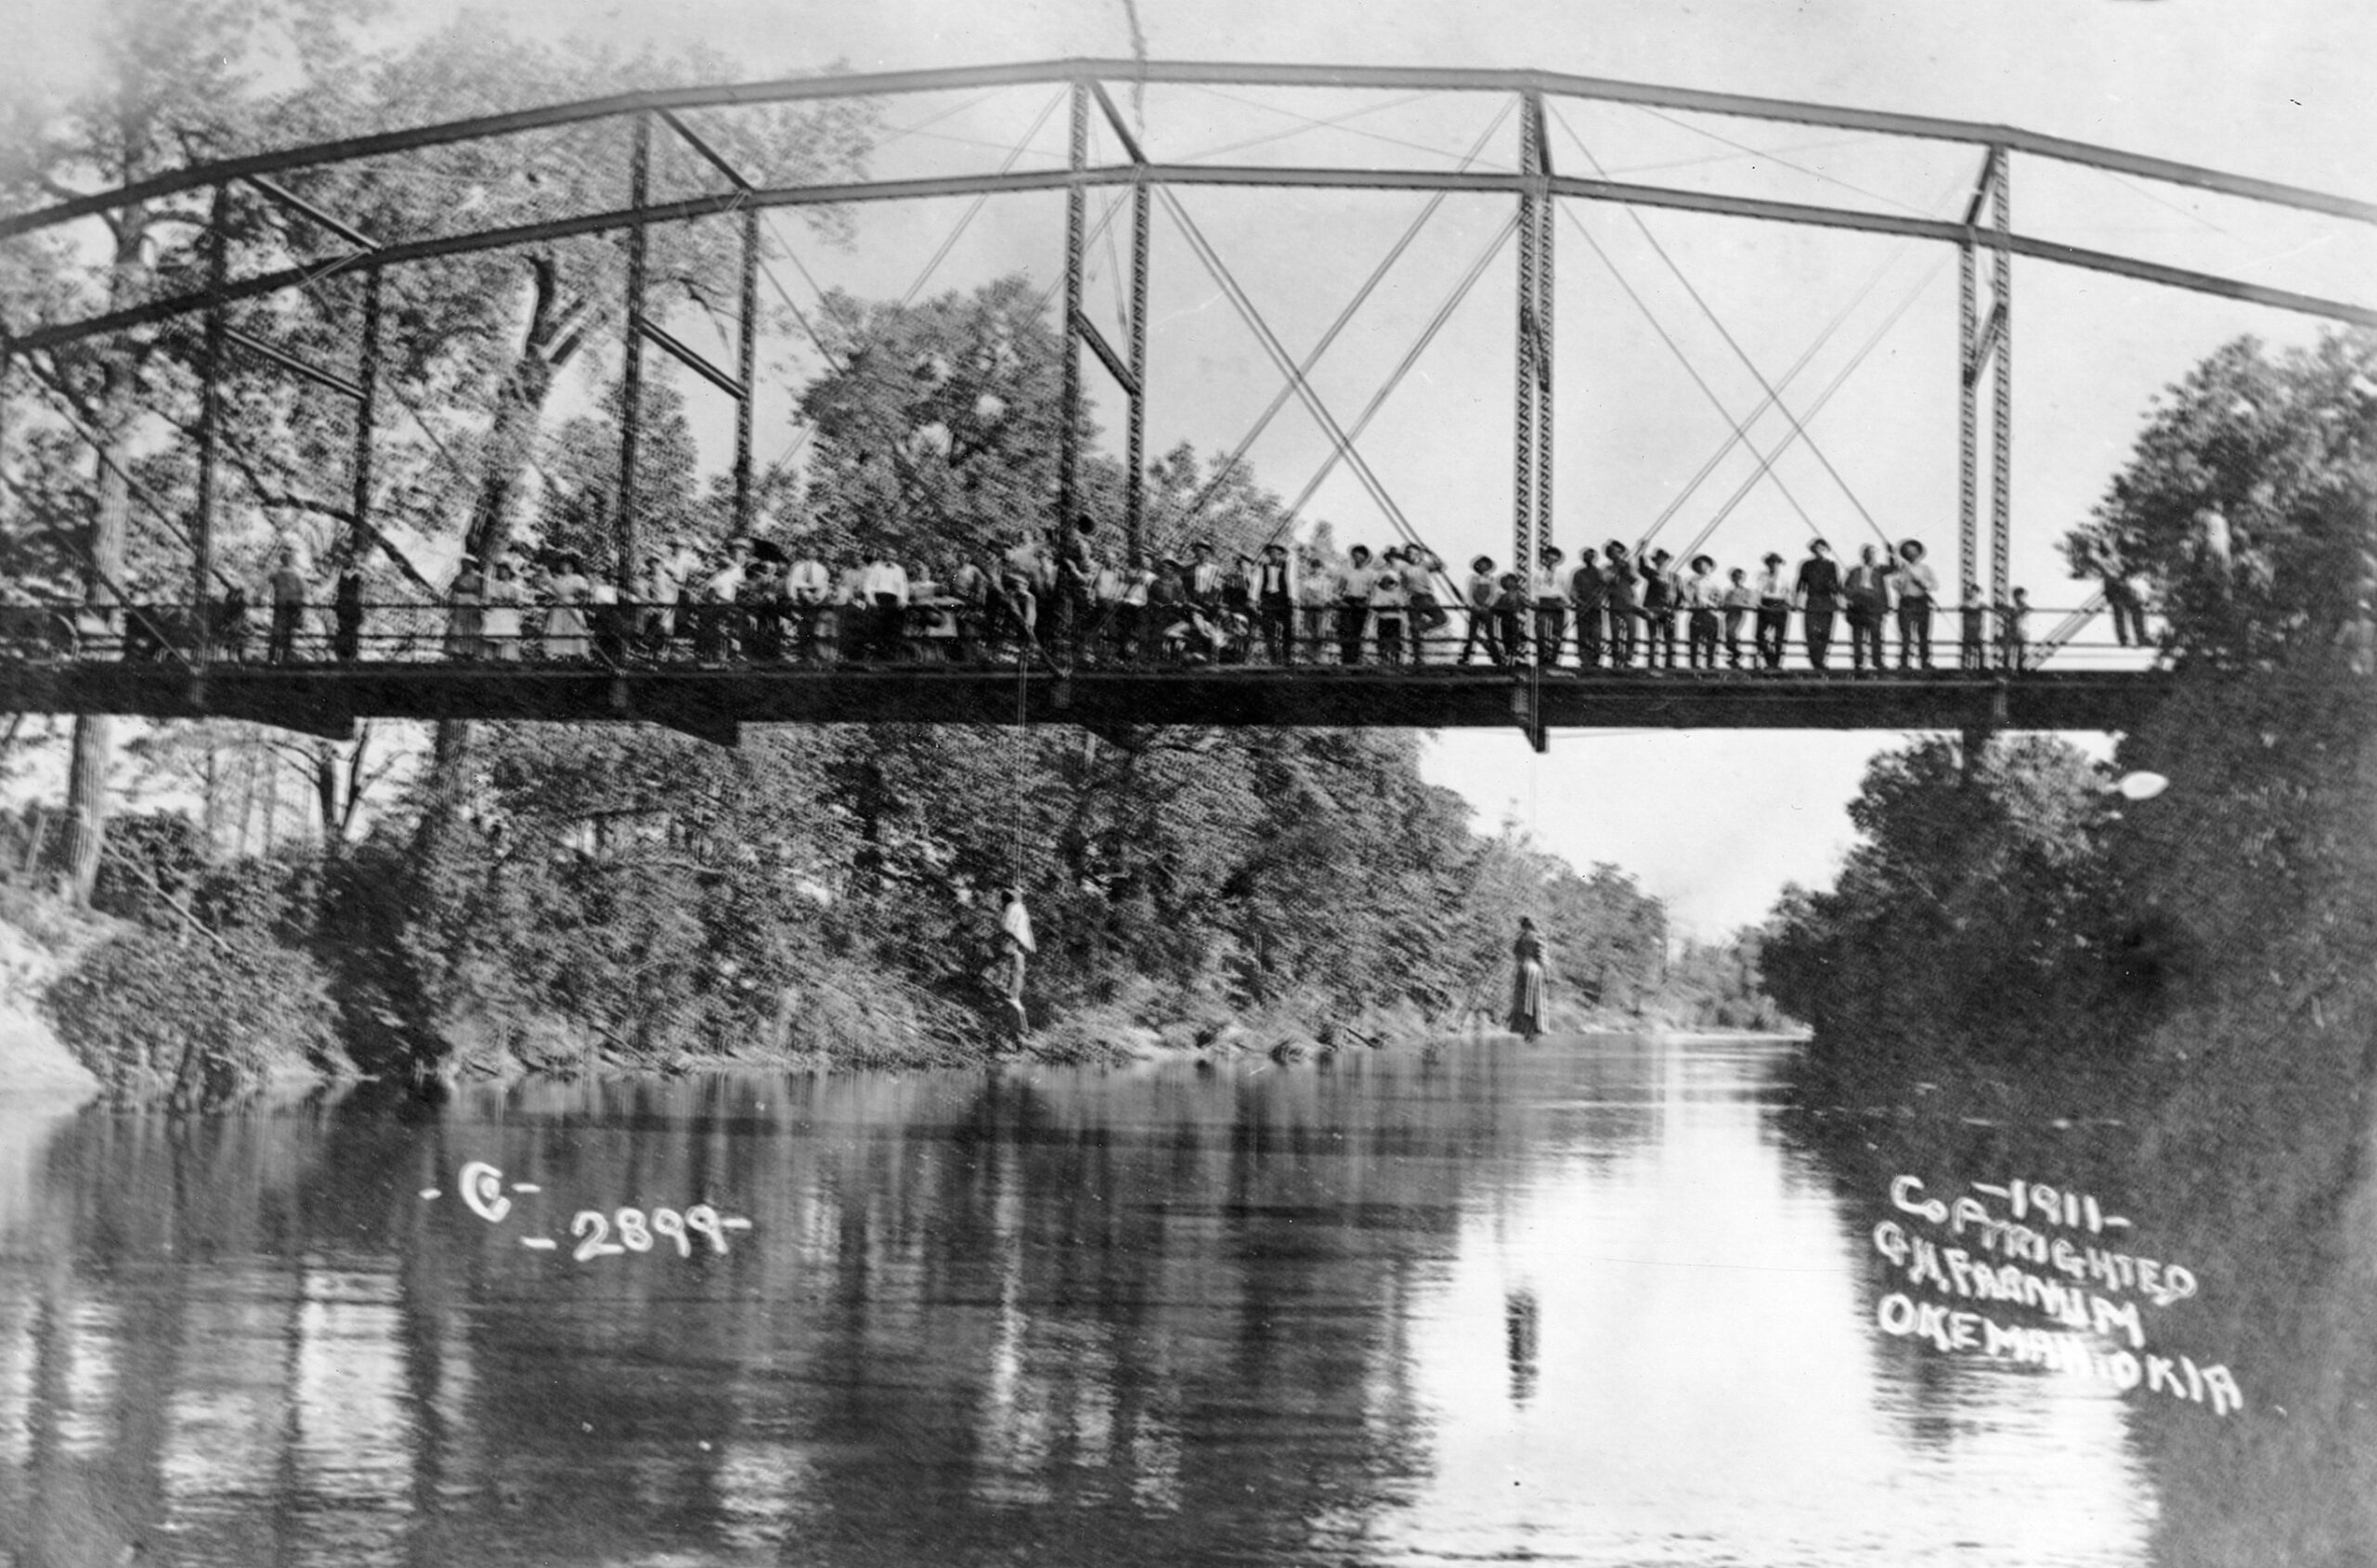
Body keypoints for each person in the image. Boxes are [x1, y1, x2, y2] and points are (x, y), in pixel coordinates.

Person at [1889, 538, 1938, 669]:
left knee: (1923, 634)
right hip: (1906, 603)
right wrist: (1901, 582)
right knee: (1906, 635)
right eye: (1907, 552)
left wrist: (1921, 582)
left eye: (1913, 551)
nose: (1910, 554)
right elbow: (1895, 584)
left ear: (1918, 553)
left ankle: (1925, 662)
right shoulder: (1903, 569)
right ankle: (1904, 663)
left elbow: (1934, 585)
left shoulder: (1925, 569)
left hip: (1921, 602)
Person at [1794, 538, 1842, 671]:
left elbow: (1837, 586)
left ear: (1826, 550)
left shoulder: (1831, 565)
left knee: (1825, 634)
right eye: (1816, 548)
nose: (1819, 551)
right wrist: (1797, 601)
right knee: (1811, 633)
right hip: (1812, 601)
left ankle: (1820, 660)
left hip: (1827, 601)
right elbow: (1800, 584)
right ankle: (1815, 661)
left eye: (1822, 548)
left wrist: (1836, 594)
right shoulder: (1807, 565)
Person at [1842, 543, 1890, 674]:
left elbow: (1894, 568)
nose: (1871, 556)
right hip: (1858, 607)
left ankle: (1878, 662)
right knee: (1858, 637)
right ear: (1863, 555)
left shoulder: (1880, 570)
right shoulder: (1854, 571)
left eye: (1874, 553)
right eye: (1868, 553)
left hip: (1874, 607)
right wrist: (1854, 595)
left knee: (1876, 636)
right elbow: (1845, 589)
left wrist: (1891, 554)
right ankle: (1859, 663)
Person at [858, 551, 911, 663]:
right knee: (875, 627)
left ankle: (889, 657)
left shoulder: (899, 569)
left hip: (893, 600)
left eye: (893, 554)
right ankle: (872, 657)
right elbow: (868, 583)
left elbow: (903, 586)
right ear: (884, 555)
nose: (890, 556)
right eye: (888, 554)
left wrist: (903, 600)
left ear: (896, 556)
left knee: (892, 628)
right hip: (878, 598)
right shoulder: (875, 566)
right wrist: (871, 600)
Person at [997, 887, 1035, 1039]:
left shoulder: (1013, 909)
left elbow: (1009, 929)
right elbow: (1012, 931)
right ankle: (1019, 1033)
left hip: (1013, 952)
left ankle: (1019, 1033)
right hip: (1013, 952)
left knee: (1012, 995)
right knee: (1012, 996)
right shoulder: (1016, 909)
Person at [2099, 545, 2150, 649]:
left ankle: (2127, 639)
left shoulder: (2111, 560)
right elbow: (2113, 576)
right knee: (2133, 610)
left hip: (2117, 590)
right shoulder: (2109, 561)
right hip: (2118, 590)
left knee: (2121, 615)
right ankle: (2137, 638)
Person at [545, 550, 591, 661]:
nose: (563, 566)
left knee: (573, 628)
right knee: (559, 628)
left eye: (566, 564)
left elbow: (582, 593)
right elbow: (555, 591)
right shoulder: (558, 579)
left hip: (571, 605)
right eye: (562, 564)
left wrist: (579, 597)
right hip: (559, 607)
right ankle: (560, 654)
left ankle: (576, 653)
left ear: (571, 567)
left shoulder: (578, 579)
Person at [1336, 545, 1378, 666]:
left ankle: (1354, 661)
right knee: (1345, 630)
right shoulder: (1346, 572)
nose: (1357, 559)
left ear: (1366, 558)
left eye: (1360, 556)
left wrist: (1368, 603)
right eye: (1355, 556)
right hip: (1347, 602)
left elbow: (1373, 592)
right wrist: (1340, 600)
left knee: (1357, 632)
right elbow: (1339, 589)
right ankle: (1345, 660)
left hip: (1361, 603)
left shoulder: (1371, 574)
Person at [1638, 548, 1679, 670]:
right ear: (1655, 562)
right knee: (1653, 636)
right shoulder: (1652, 574)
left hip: (1669, 611)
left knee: (1670, 637)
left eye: (1664, 559)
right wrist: (1641, 553)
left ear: (1667, 561)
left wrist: (1675, 608)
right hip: (1653, 609)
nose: (1661, 562)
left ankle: (1670, 662)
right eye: (1659, 560)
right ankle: (1652, 662)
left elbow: (1681, 594)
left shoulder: (1674, 578)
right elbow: (1642, 568)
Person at [1508, 916, 1548, 1041]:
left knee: (1522, 1000)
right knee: (1535, 999)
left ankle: (1523, 1029)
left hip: (1522, 968)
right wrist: (1546, 972)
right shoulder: (1537, 936)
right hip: (1534, 969)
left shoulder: (1521, 937)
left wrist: (1521, 961)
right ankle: (1535, 1029)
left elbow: (1515, 952)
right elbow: (1542, 956)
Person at [1255, 542, 1295, 664]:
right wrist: (1256, 598)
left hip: (1283, 599)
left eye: (1278, 553)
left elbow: (1291, 581)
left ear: (1281, 555)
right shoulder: (1263, 567)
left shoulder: (1287, 565)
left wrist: (1292, 597)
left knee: (1287, 629)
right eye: (1271, 553)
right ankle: (1274, 658)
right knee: (1268, 629)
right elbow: (1258, 583)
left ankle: (1286, 657)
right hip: (1268, 598)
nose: (1274, 556)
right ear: (1268, 555)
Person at [266, 549, 307, 665]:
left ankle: (273, 657)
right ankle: (285, 657)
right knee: (287, 633)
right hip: (291, 607)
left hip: (280, 605)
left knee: (277, 631)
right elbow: (301, 592)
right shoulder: (296, 576)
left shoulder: (277, 574)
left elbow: (269, 579)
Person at [1530, 545, 1568, 668]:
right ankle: (1542, 660)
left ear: (1557, 560)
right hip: (1544, 602)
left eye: (1554, 558)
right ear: (1544, 558)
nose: (1551, 561)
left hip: (1558, 603)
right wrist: (1534, 602)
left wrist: (1567, 602)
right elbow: (1533, 589)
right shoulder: (1537, 573)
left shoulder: (1562, 574)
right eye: (1548, 558)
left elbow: (1564, 590)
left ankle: (1553, 660)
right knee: (1542, 631)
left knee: (1557, 633)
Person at [1682, 554, 1721, 671]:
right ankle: (1694, 665)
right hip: (1698, 613)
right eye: (1698, 564)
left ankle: (1710, 664)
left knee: (1711, 641)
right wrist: (1695, 605)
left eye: (1703, 564)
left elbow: (1719, 598)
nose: (1701, 566)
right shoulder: (1691, 581)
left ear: (1709, 566)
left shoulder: (1715, 582)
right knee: (1694, 640)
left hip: (1712, 614)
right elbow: (1687, 597)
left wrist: (1713, 604)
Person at [1603, 542, 1639, 668]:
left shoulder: (1627, 565)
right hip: (1615, 603)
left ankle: (1628, 659)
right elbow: (1606, 581)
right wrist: (1616, 571)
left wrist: (1625, 569)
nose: (1616, 555)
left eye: (1618, 552)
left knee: (1631, 632)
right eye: (1613, 552)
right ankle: (1616, 659)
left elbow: (1635, 580)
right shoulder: (1607, 568)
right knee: (1616, 633)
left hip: (1628, 603)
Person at [1370, 553, 1409, 666]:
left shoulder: (1398, 593)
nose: (1389, 584)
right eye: (1387, 581)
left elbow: (1401, 606)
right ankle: (1383, 660)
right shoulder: (1379, 592)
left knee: (1396, 641)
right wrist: (1389, 607)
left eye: (1392, 581)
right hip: (1383, 619)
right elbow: (1375, 606)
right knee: (1382, 640)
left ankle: (1395, 660)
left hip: (1395, 619)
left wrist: (1388, 607)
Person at [1460, 554, 1500, 665]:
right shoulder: (1473, 579)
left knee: (1490, 634)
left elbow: (1493, 594)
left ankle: (1496, 658)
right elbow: (1469, 593)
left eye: (1485, 565)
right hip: (1475, 610)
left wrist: (1487, 605)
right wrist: (1474, 605)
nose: (1483, 567)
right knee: (1471, 634)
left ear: (1489, 567)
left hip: (1487, 610)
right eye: (1481, 565)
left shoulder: (1492, 580)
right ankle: (1465, 657)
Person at [1569, 549, 1606, 670]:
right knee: (1582, 634)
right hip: (1581, 609)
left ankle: (1595, 660)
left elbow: (1604, 590)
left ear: (1594, 558)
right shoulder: (1578, 573)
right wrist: (1580, 602)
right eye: (1586, 556)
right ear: (1583, 558)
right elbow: (1573, 592)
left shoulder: (1599, 573)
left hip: (1595, 609)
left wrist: (1597, 601)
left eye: (1591, 556)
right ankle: (1584, 661)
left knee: (1596, 634)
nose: (1588, 558)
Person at [1753, 551, 1790, 670]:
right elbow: (1757, 591)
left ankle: (1776, 663)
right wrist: (1759, 604)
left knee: (1779, 636)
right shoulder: (1761, 576)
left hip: (1780, 604)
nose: (1774, 565)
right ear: (1767, 564)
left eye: (1776, 563)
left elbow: (1788, 593)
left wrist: (1788, 605)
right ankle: (1769, 659)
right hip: (1766, 603)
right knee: (1760, 635)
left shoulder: (1785, 578)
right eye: (1771, 563)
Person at [1295, 548, 1332, 664]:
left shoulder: (1326, 582)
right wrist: (1306, 599)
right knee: (1308, 632)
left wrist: (1322, 600)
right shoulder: (1306, 581)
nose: (1316, 570)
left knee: (1320, 632)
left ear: (1322, 569)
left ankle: (1318, 656)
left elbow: (1328, 597)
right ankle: (1309, 656)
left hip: (1321, 610)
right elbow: (1302, 595)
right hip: (1309, 610)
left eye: (1319, 568)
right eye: (1314, 567)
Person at [482, 559, 523, 661]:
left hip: (508, 613)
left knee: (508, 636)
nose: (501, 573)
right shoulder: (495, 585)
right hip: (497, 613)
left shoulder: (513, 586)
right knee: (496, 635)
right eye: (499, 571)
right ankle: (495, 656)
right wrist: (494, 603)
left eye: (504, 571)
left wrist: (512, 603)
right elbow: (490, 597)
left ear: (509, 573)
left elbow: (519, 600)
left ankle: (508, 657)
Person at [445, 556, 484, 662]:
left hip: (471, 604)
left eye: (466, 563)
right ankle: (457, 651)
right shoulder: (458, 577)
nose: (463, 565)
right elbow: (452, 591)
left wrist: (461, 588)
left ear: (471, 564)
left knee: (469, 629)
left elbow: (477, 591)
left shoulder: (476, 577)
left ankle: (469, 652)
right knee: (458, 629)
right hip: (459, 604)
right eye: (462, 563)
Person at [1720, 567, 1755, 670]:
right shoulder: (1729, 591)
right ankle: (1734, 655)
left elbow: (1748, 603)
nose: (1737, 579)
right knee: (1727, 632)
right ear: (1732, 578)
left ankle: (1736, 653)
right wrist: (1725, 606)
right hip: (1729, 613)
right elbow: (1724, 603)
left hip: (1738, 612)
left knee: (1730, 631)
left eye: (1740, 577)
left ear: (1743, 579)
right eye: (1735, 577)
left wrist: (1735, 604)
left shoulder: (1746, 591)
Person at [331, 561, 364, 663]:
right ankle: (349, 655)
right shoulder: (357, 578)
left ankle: (346, 655)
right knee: (350, 632)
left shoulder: (344, 578)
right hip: (349, 610)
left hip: (346, 609)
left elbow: (360, 596)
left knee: (347, 632)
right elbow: (361, 596)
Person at [1999, 586, 2031, 672]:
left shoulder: (2025, 607)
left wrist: (2010, 613)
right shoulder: (2013, 608)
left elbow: (2022, 614)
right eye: (2016, 596)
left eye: (2019, 596)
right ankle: (2006, 667)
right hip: (2013, 631)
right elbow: (2007, 616)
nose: (2017, 598)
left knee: (2021, 651)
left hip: (2021, 631)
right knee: (2007, 649)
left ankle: (2020, 668)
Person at [1959, 581, 1988, 671]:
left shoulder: (1980, 604)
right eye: (1973, 592)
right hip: (1969, 630)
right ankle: (1966, 667)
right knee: (1967, 649)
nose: (1974, 594)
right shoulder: (1967, 604)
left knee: (1980, 648)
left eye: (1976, 592)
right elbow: (1961, 608)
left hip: (1977, 630)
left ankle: (1981, 666)